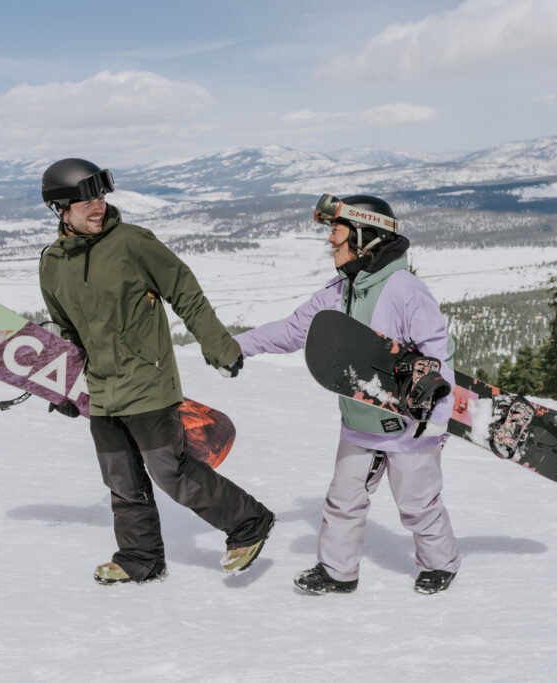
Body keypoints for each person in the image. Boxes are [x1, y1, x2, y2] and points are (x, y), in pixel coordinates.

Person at [38, 158, 274, 586]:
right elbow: (68, 330)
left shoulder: (132, 242)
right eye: (85, 200)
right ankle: (140, 558)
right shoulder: (52, 263)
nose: (98, 206)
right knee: (121, 479)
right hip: (101, 389)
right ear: (60, 209)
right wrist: (66, 388)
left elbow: (184, 289)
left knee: (171, 471)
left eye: (101, 196)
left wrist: (219, 345)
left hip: (147, 381)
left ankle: (249, 523)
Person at [233, 194, 461, 595]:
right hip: (358, 422)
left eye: (336, 231)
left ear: (364, 235)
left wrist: (436, 418)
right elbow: (292, 330)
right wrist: (235, 347)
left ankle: (440, 563)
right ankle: (338, 571)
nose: (330, 241)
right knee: (342, 500)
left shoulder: (403, 288)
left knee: (417, 504)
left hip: (409, 427)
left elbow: (438, 350)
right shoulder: (340, 290)